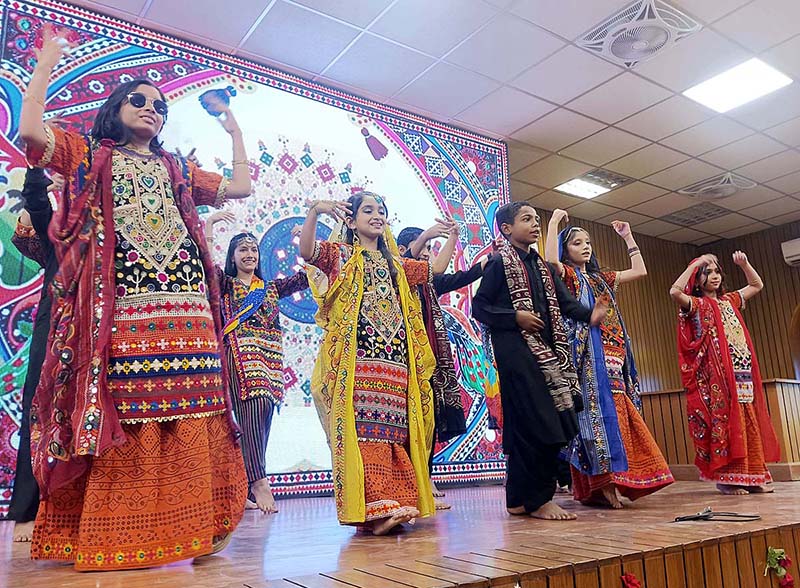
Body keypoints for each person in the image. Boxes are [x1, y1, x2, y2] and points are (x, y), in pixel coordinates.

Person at [18, 25, 251, 570]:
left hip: (189, 309)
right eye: (139, 101)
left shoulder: (176, 168)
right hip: (125, 310)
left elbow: (239, 187)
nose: (152, 109)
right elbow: (30, 130)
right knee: (136, 408)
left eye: (160, 106)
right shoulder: (85, 153)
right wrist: (47, 61)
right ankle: (126, 532)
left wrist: (234, 127)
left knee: (196, 406)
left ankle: (202, 528)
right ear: (114, 109)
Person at [299, 192, 451, 535]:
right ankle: (373, 510)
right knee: (365, 432)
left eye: (382, 211)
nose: (377, 215)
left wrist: (451, 237)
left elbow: (435, 270)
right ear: (350, 221)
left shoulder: (396, 264)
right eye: (368, 210)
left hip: (395, 360)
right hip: (359, 361)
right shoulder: (340, 255)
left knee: (394, 432)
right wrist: (314, 213)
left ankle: (395, 505)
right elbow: (307, 252)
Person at [472, 202, 606, 521]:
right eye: (526, 219)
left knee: (526, 429)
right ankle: (539, 499)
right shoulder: (497, 263)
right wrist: (514, 316)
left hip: (547, 355)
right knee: (543, 424)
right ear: (506, 228)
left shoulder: (543, 267)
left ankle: (518, 500)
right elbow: (480, 308)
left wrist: (591, 315)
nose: (534, 224)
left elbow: (564, 302)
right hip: (516, 353)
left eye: (536, 219)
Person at [545, 209, 673, 508]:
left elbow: (640, 271)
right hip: (588, 359)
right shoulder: (570, 277)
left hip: (615, 358)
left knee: (619, 418)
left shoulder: (601, 278)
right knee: (596, 421)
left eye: (587, 242)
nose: (585, 246)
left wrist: (628, 237)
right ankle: (602, 485)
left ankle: (620, 481)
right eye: (577, 243)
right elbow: (550, 262)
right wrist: (552, 223)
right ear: (566, 249)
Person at [205, 211, 309, 514]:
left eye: (253, 249)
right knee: (255, 408)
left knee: (263, 417)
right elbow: (204, 265)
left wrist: (310, 233)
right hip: (238, 351)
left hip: (269, 357)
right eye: (242, 249)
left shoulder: (272, 288)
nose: (249, 254)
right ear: (233, 256)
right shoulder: (225, 284)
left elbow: (307, 275)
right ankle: (259, 480)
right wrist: (210, 227)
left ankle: (246, 485)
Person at [670, 252, 779, 495]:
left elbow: (756, 285)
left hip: (741, 371)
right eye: (707, 273)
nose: (715, 276)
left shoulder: (729, 300)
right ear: (698, 280)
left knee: (747, 420)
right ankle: (729, 479)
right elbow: (675, 292)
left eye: (717, 271)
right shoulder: (696, 304)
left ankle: (751, 476)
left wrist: (744, 264)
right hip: (717, 377)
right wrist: (695, 263)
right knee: (728, 424)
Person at [396, 224, 483, 507]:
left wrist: (456, 238)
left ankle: (427, 477)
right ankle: (409, 483)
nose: (427, 255)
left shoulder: (429, 283)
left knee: (430, 419)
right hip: (405, 361)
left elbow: (454, 274)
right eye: (424, 249)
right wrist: (427, 237)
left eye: (430, 251)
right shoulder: (398, 276)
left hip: (432, 362)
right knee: (408, 424)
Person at [8, 168, 62, 542]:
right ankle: (29, 507)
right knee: (39, 402)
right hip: (57, 306)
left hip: (104, 309)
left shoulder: (101, 197)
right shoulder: (49, 206)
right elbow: (25, 231)